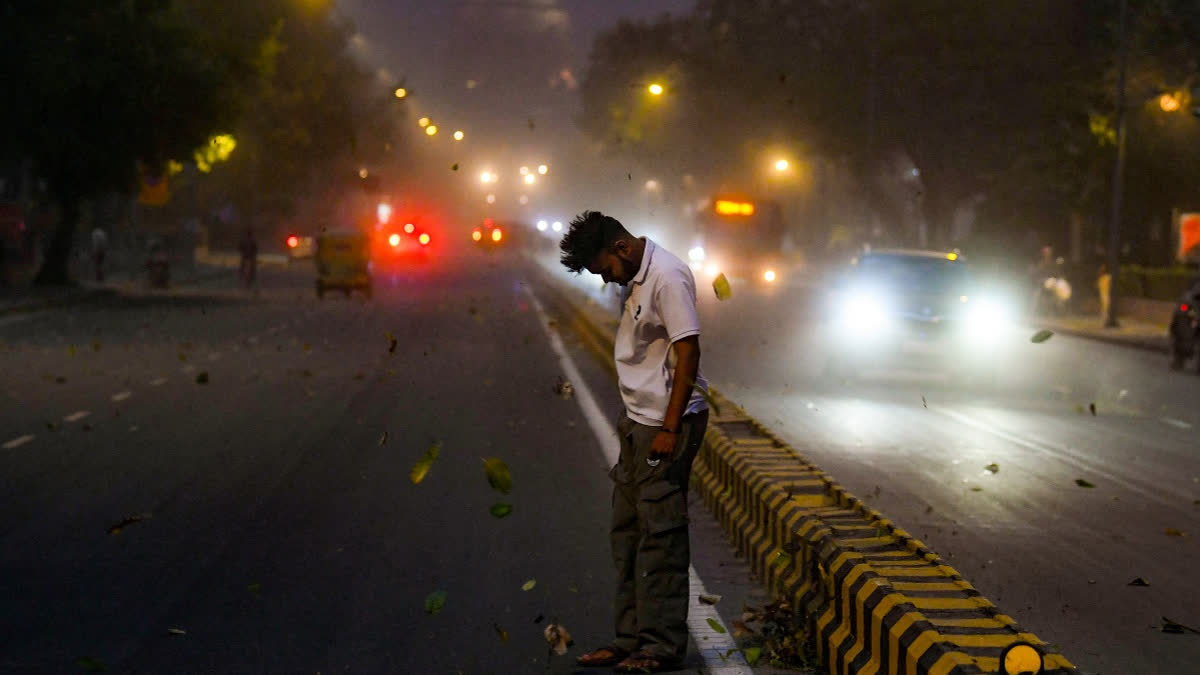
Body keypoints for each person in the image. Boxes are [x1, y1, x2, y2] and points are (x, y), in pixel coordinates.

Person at [559, 211, 710, 673]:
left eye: (605, 270)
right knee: (626, 534)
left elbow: (689, 350)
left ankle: (660, 647)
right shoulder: (636, 276)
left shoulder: (666, 277)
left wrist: (669, 428)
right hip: (637, 420)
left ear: (621, 248)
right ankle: (629, 639)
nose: (608, 280)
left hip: (665, 425)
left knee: (660, 538)